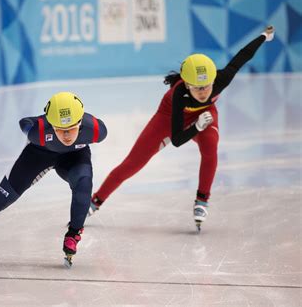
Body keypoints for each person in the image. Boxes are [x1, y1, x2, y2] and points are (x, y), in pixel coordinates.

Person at [88, 26, 275, 231]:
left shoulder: (222, 79)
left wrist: (263, 36)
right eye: (197, 87)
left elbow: (243, 56)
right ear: (186, 84)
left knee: (211, 148)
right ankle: (95, 201)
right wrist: (197, 126)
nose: (203, 92)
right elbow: (177, 140)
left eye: (207, 86)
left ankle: (202, 200)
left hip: (204, 115)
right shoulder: (179, 95)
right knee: (133, 163)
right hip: (168, 118)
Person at [0, 92, 107, 267]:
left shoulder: (95, 130)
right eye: (60, 130)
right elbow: (25, 122)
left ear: (80, 123)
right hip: (39, 155)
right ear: (51, 126)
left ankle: (73, 233)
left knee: (83, 185)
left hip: (74, 158)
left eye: (72, 129)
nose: (67, 136)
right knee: (0, 199)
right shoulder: (38, 132)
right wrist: (29, 131)